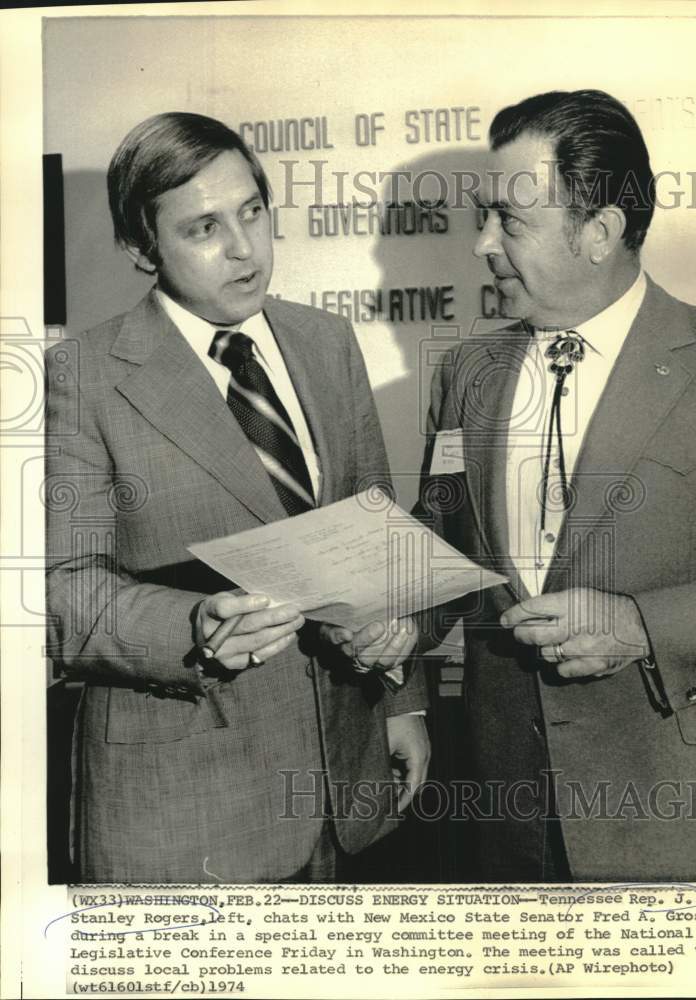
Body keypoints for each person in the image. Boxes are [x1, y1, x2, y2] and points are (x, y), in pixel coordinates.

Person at [45, 111, 429, 884]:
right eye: (203, 228)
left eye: (252, 211)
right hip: (184, 811)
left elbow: (380, 537)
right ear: (138, 247)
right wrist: (192, 623)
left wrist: (400, 694)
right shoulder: (80, 376)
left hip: (344, 788)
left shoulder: (325, 341)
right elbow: (60, 593)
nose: (244, 249)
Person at [416, 90, 696, 881]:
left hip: (680, 817)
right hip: (504, 820)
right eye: (482, 218)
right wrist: (385, 629)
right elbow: (440, 554)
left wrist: (641, 624)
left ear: (599, 232)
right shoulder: (467, 372)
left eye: (510, 222)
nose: (482, 244)